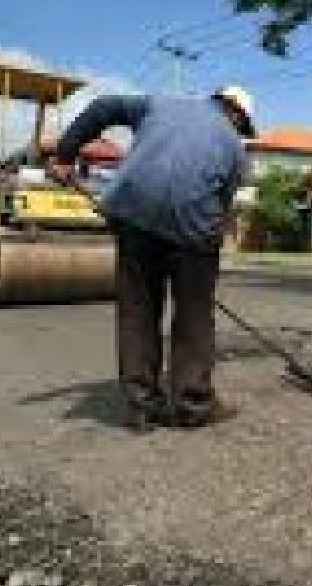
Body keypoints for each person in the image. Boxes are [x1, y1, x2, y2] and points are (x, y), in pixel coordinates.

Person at [51, 86, 255, 432]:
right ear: (236, 113)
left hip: (133, 213)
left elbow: (101, 108)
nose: (238, 131)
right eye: (242, 125)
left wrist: (65, 155)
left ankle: (143, 405)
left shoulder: (160, 101)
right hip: (192, 228)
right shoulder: (235, 149)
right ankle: (192, 404)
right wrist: (205, 259)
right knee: (194, 315)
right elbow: (222, 206)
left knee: (139, 308)